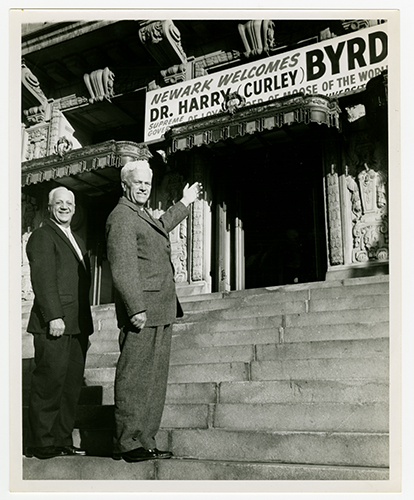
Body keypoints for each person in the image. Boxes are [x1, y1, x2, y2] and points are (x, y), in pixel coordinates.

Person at [106, 160, 201, 463]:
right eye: (139, 183)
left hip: (161, 309)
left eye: (148, 183)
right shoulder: (121, 217)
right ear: (125, 185)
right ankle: (127, 441)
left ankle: (145, 439)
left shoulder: (141, 214)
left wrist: (184, 202)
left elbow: (160, 227)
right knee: (135, 377)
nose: (145, 188)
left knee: (154, 380)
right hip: (143, 311)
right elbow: (122, 267)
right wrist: (135, 307)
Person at [25, 186, 93, 459]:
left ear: (75, 209)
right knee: (49, 384)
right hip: (55, 323)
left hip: (77, 326)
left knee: (70, 386)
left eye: (69, 203)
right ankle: (41, 442)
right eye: (59, 203)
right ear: (49, 207)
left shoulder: (77, 239)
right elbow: (43, 278)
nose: (65, 207)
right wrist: (54, 315)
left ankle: (62, 439)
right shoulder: (42, 236)